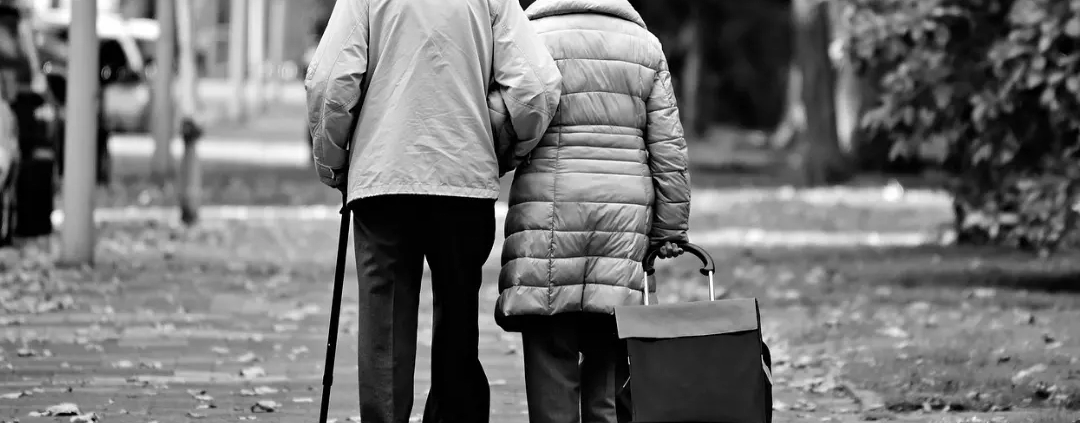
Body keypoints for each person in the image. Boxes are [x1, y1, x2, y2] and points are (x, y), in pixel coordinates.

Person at [305, 0, 562, 422]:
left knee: (383, 327)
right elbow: (536, 89)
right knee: (458, 324)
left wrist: (334, 161)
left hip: (383, 179)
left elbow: (331, 84)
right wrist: (497, 144)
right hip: (464, 179)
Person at [490, 0, 692, 422]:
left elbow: (503, 121)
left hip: (547, 220)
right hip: (621, 223)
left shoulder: (527, 39)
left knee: (551, 361)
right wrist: (669, 230)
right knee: (606, 379)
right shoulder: (645, 46)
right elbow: (668, 148)